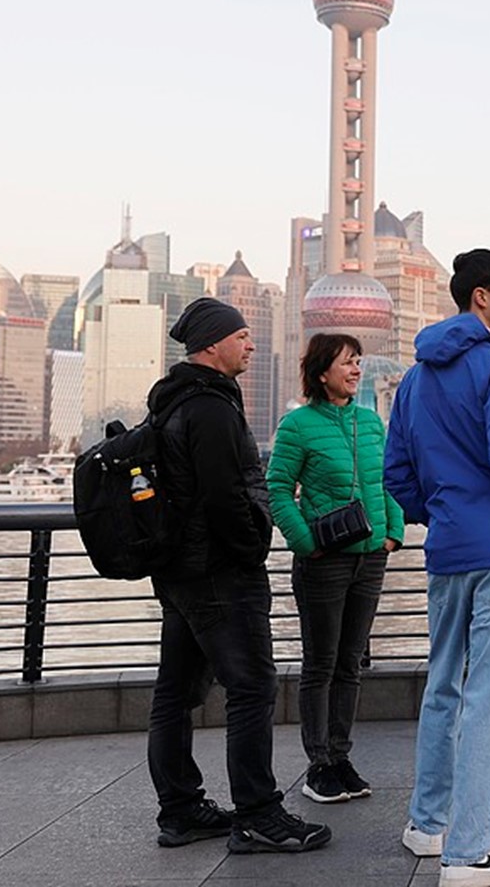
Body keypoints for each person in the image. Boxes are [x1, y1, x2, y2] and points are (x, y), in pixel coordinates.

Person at [385, 248, 490, 887]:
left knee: (443, 686)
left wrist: (439, 511)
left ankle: (428, 825)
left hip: (448, 547)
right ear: (480, 297)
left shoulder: (415, 378)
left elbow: (395, 473)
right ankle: (470, 851)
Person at [145, 296, 331, 855]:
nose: (250, 343)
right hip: (219, 576)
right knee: (251, 689)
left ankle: (180, 810)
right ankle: (257, 813)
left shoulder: (170, 403)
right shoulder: (210, 408)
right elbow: (225, 495)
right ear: (211, 343)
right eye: (242, 335)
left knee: (175, 693)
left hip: (180, 573)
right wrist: (252, 548)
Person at [266, 332, 405, 805]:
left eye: (359, 362)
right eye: (348, 362)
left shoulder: (370, 423)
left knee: (351, 663)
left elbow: (384, 482)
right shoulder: (297, 425)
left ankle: (341, 756)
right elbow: (278, 490)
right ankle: (318, 764)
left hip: (370, 558)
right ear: (322, 371)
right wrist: (305, 543)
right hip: (323, 562)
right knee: (320, 664)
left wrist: (393, 532)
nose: (356, 370)